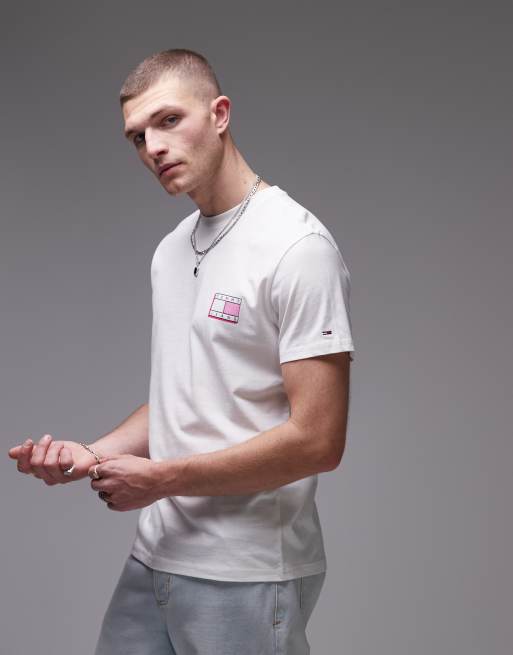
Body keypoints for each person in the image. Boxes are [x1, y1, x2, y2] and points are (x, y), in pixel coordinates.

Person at [8, 48, 355, 654]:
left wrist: (162, 479)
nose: (153, 147)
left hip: (247, 573)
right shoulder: (171, 250)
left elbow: (319, 442)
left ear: (219, 114)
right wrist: (91, 454)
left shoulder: (298, 248)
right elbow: (187, 396)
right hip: (155, 557)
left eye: (169, 120)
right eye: (137, 136)